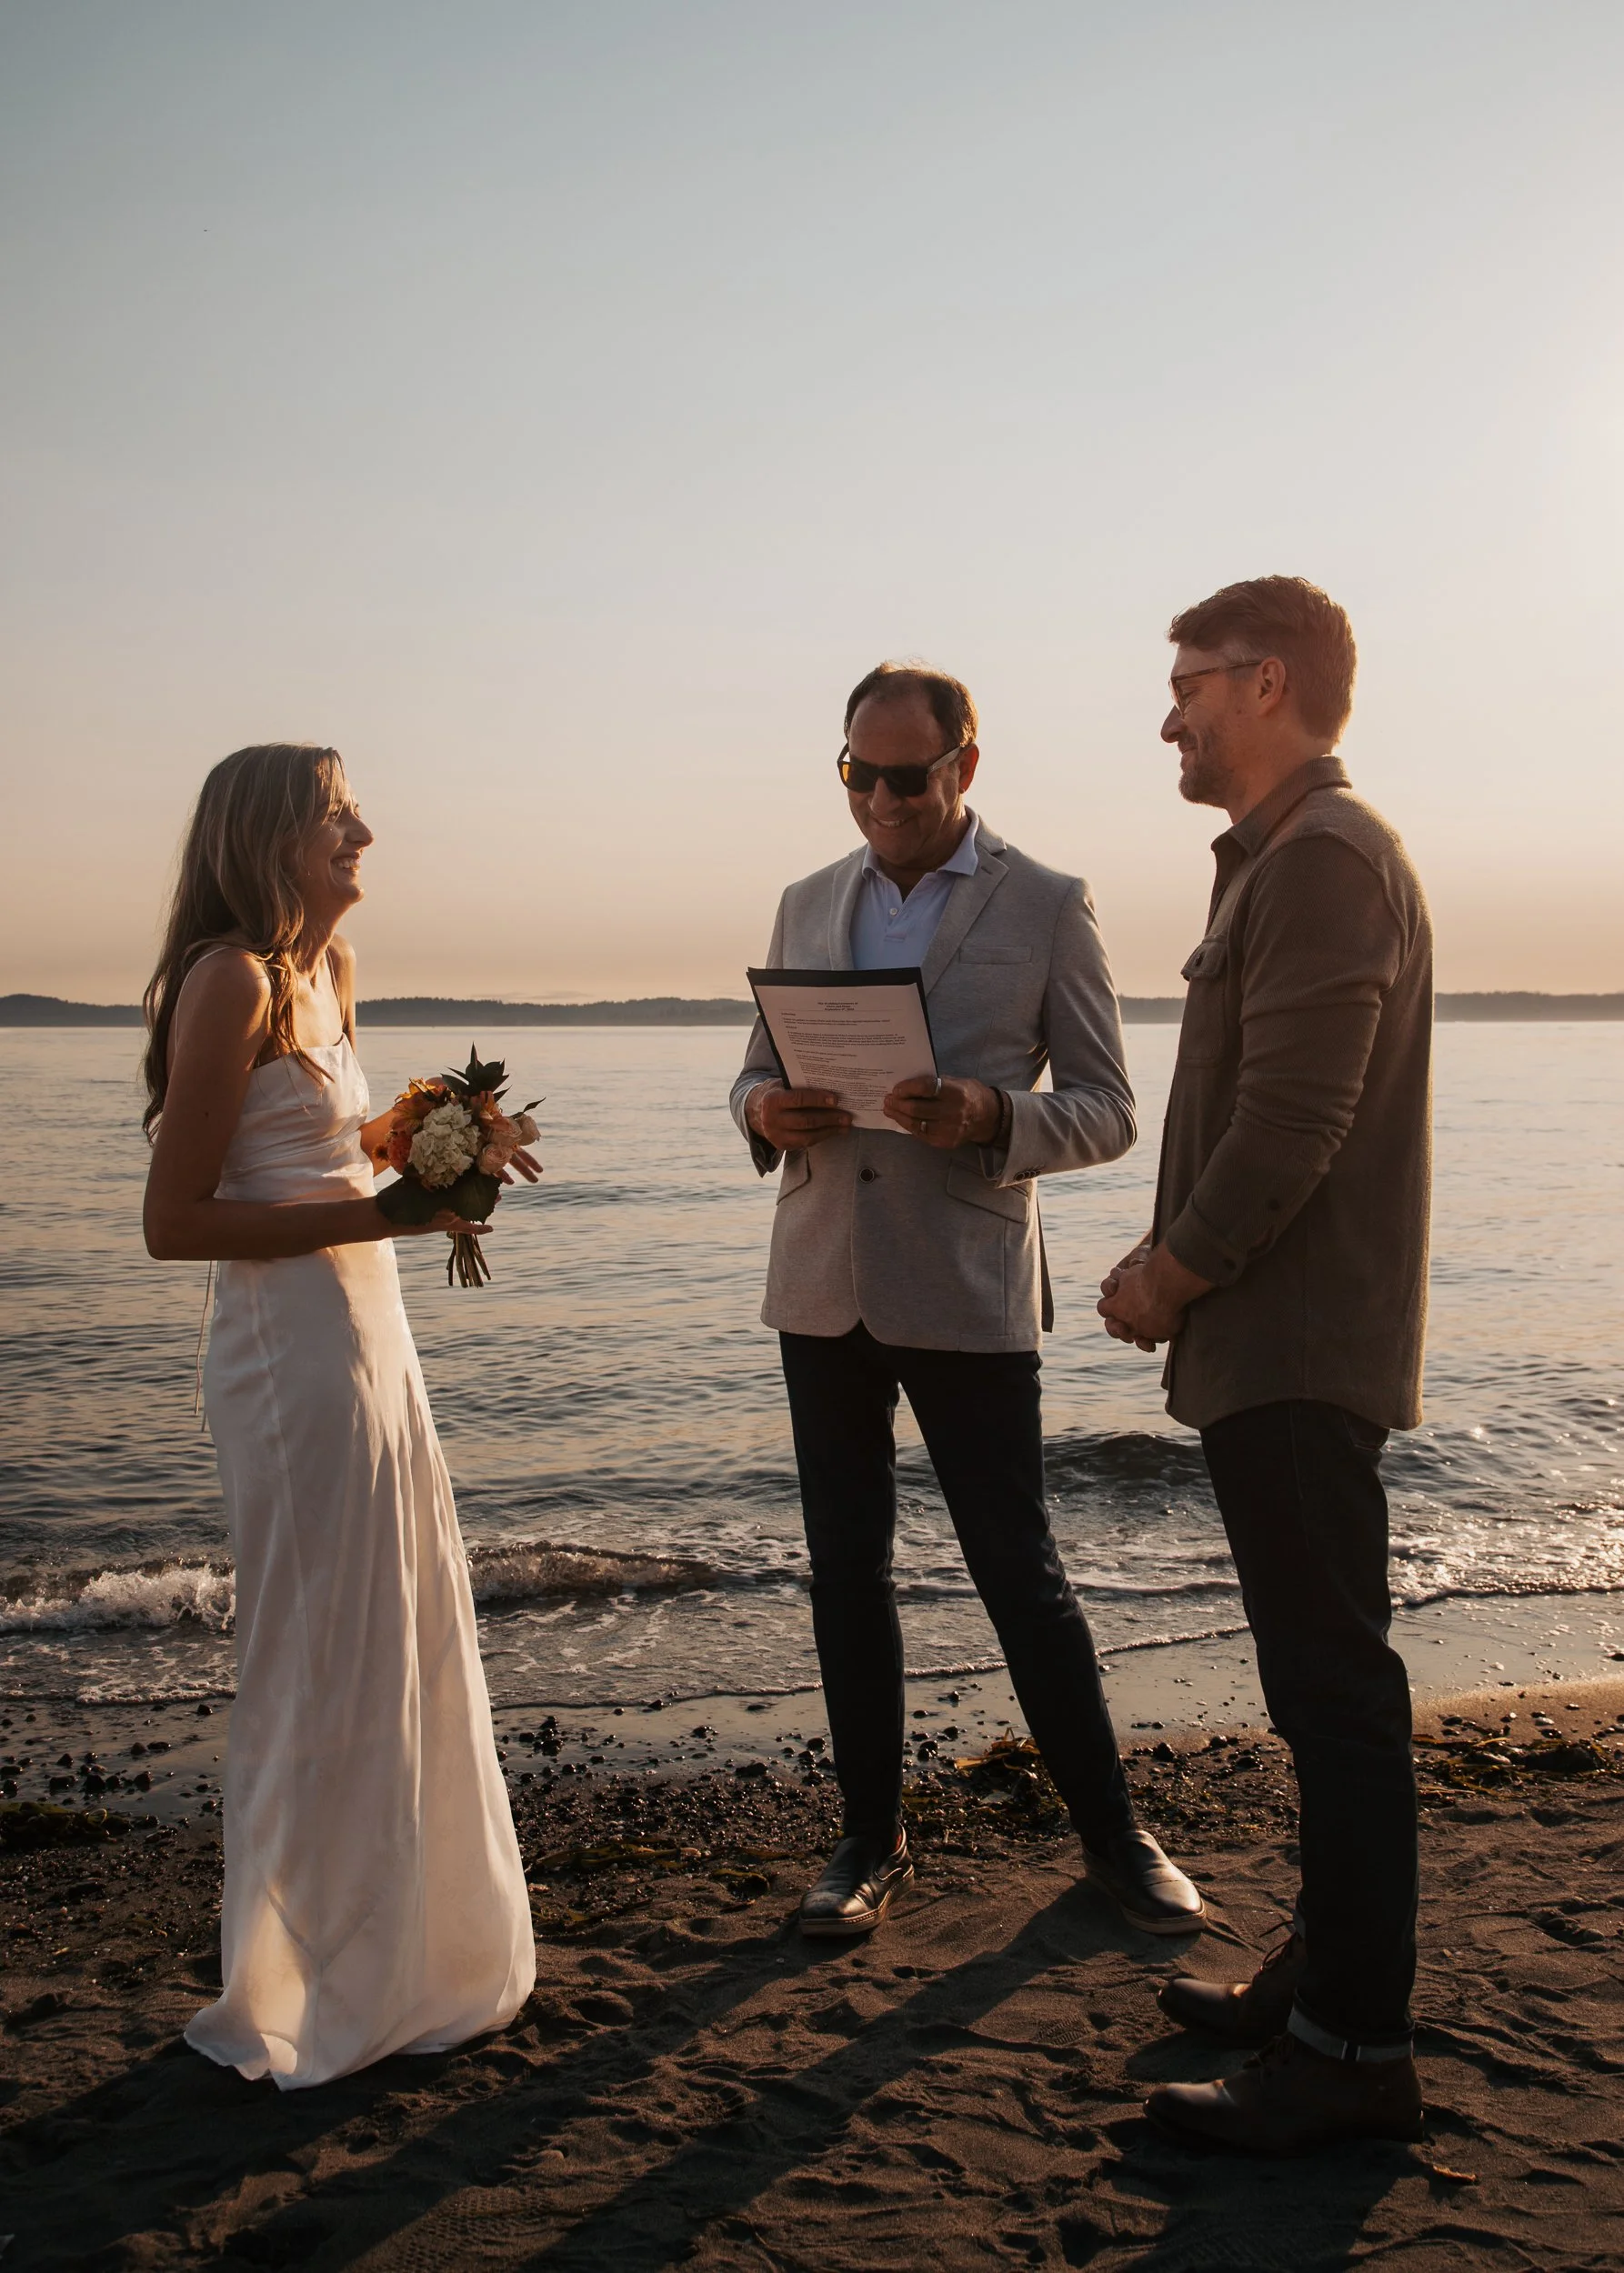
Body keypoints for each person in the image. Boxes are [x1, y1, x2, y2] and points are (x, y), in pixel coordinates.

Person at [732, 661, 1204, 1941]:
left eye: (906, 776)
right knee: (845, 1574)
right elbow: (751, 1076)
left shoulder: (1045, 902)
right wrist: (762, 1112)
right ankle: (866, 1843)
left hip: (966, 1279)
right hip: (820, 1277)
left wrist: (995, 1112)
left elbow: (1107, 1108)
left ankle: (1111, 1834)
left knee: (1017, 1568)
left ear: (964, 768)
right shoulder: (802, 899)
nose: (879, 800)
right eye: (857, 774)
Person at [142, 743, 536, 2089]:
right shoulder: (229, 980)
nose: (362, 829)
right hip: (283, 1350)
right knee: (322, 1648)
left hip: (372, 1330)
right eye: (334, 814)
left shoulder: (329, 973)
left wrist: (436, 1132)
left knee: (399, 1626)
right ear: (269, 838)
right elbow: (173, 1220)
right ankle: (305, 1981)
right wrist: (382, 1209)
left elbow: (329, 1146)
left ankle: (412, 1956)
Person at [1098, 578, 1432, 2152]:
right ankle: (1321, 1983)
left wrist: (1170, 1272)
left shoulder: (1321, 863)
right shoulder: (1283, 864)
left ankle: (1352, 2055)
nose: (1168, 715)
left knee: (1335, 1695)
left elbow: (1291, 1123)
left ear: (1268, 681)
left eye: (1187, 685)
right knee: (1318, 1694)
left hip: (1294, 1345)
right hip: (1275, 1346)